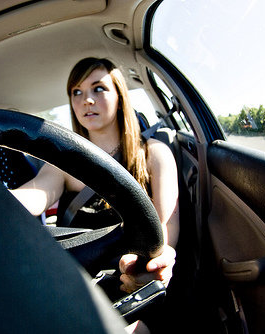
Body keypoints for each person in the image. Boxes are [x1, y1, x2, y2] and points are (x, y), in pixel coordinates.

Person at [10, 57, 179, 294]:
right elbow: (34, 194)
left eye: (99, 88)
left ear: (120, 98)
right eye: (76, 92)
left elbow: (166, 224)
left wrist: (154, 264)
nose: (87, 100)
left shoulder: (154, 154)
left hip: (132, 280)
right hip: (75, 285)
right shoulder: (64, 162)